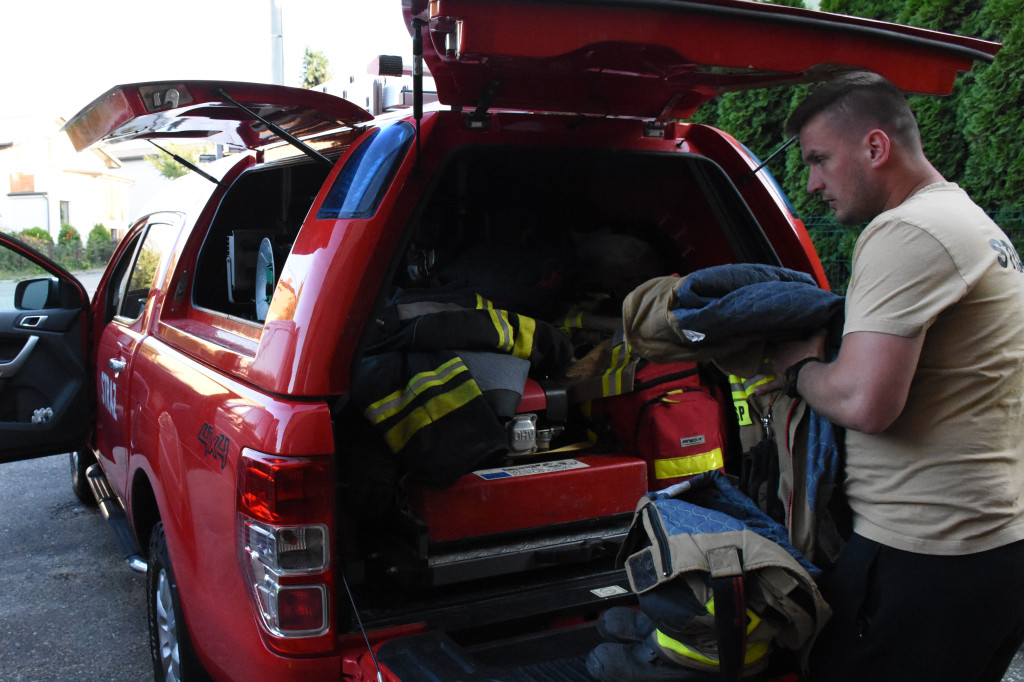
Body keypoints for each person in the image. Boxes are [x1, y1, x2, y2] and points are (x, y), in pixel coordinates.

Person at [761, 71, 1024, 681]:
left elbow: (864, 400)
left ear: (875, 148)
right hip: (987, 546)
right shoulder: (966, 219)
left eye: (819, 159)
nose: (811, 183)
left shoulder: (905, 230)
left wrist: (794, 370)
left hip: (926, 553)